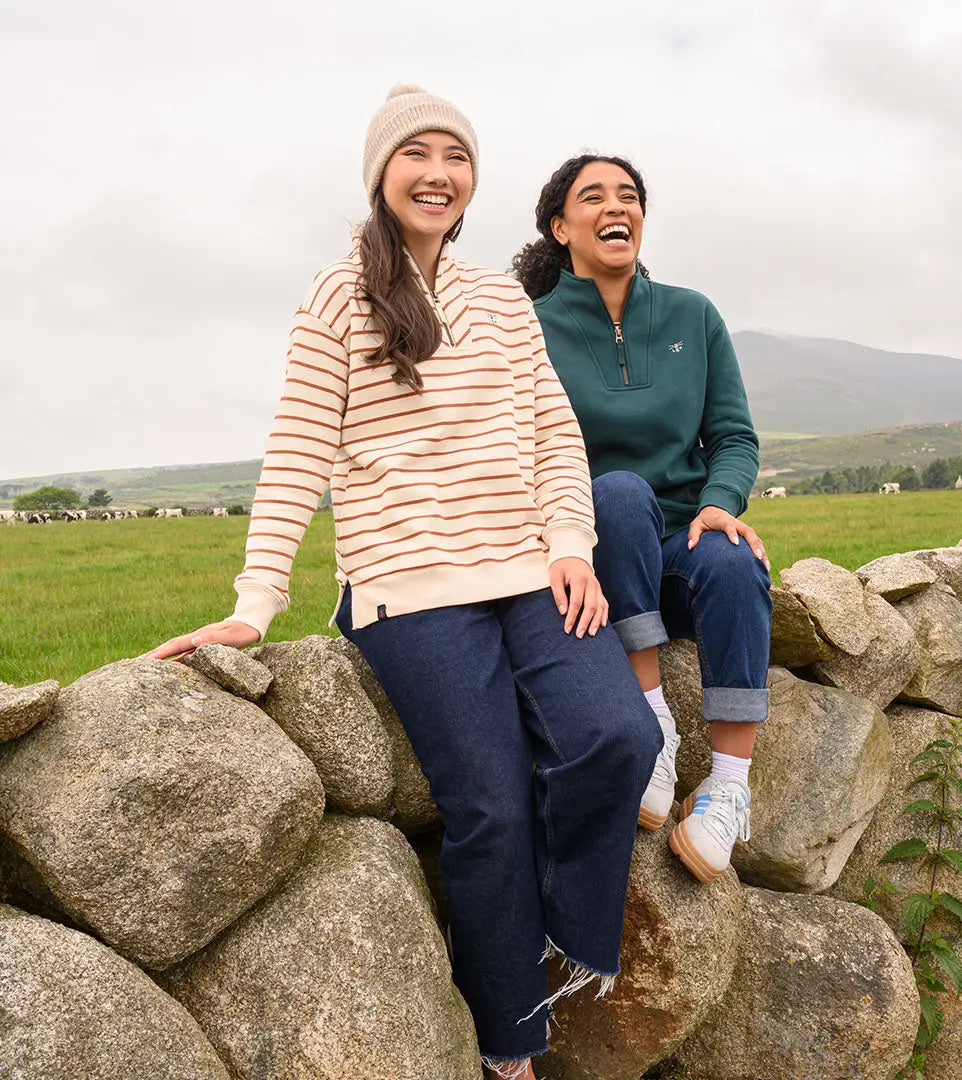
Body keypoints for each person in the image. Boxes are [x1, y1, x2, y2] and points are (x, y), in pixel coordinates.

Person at [146, 90, 662, 1080]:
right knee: (491, 811)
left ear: (473, 179)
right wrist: (256, 603)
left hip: (529, 568)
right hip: (407, 586)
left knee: (619, 736)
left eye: (456, 156)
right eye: (416, 154)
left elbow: (556, 434)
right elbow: (298, 451)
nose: (439, 171)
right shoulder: (338, 294)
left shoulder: (503, 298)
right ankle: (510, 1049)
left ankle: (551, 943)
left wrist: (567, 543)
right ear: (381, 173)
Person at [512, 154, 773, 885]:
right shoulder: (526, 329)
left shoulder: (693, 315)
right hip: (590, 554)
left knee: (733, 558)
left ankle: (727, 786)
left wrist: (722, 502)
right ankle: (651, 725)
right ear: (561, 227)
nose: (613, 207)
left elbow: (733, 437)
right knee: (620, 492)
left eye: (627, 196)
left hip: (681, 547)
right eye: (592, 197)